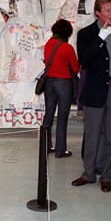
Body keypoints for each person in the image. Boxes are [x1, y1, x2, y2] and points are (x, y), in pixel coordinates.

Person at [72, 0, 111, 192]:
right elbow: (85, 60)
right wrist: (101, 38)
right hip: (95, 91)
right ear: (97, 12)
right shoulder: (85, 34)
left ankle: (106, 176)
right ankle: (88, 174)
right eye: (107, 10)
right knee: (92, 136)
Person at [43, 19, 80, 158]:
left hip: (49, 83)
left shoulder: (48, 45)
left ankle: (45, 147)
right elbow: (76, 68)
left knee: (48, 115)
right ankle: (60, 150)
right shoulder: (67, 47)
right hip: (63, 84)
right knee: (62, 118)